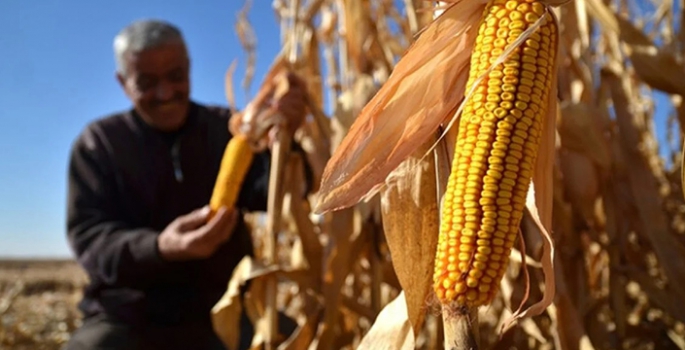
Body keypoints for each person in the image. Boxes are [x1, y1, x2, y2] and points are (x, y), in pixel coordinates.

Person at [63, 19, 310, 350]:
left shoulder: (226, 128)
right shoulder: (100, 144)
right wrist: (161, 247)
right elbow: (91, 239)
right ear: (123, 83)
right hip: (129, 314)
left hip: (224, 304)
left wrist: (287, 141)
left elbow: (276, 194)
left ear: (189, 70)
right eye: (147, 82)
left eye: (176, 76)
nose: (166, 93)